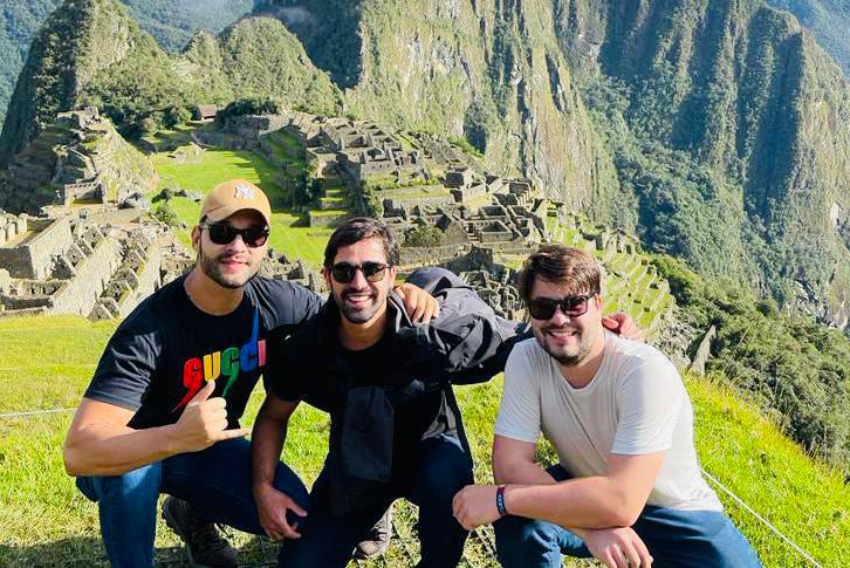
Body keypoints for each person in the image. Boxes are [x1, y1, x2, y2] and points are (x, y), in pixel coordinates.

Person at [62, 181, 437, 568]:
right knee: (133, 475)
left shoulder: (275, 303)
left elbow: (349, 307)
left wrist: (399, 290)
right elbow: (79, 451)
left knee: (295, 515)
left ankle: (189, 515)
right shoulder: (150, 330)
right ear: (198, 238)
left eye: (253, 235)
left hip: (208, 447)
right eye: (223, 232)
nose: (238, 247)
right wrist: (175, 436)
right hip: (132, 453)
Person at [253, 220, 642, 567]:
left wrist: (601, 333)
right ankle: (369, 512)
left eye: (372, 270)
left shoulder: (435, 333)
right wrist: (263, 487)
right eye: (344, 271)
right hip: (358, 459)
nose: (358, 283)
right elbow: (273, 415)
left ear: (392, 276)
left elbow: (519, 337)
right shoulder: (308, 348)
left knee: (446, 480)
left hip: (430, 449)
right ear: (327, 277)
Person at [452, 245, 761, 568]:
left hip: (675, 514)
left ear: (598, 305)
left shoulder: (643, 371)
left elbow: (623, 500)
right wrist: (588, 531)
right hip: (584, 488)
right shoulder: (527, 358)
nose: (559, 318)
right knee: (519, 521)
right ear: (530, 313)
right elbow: (510, 466)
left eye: (574, 305)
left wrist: (501, 499)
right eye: (544, 307)